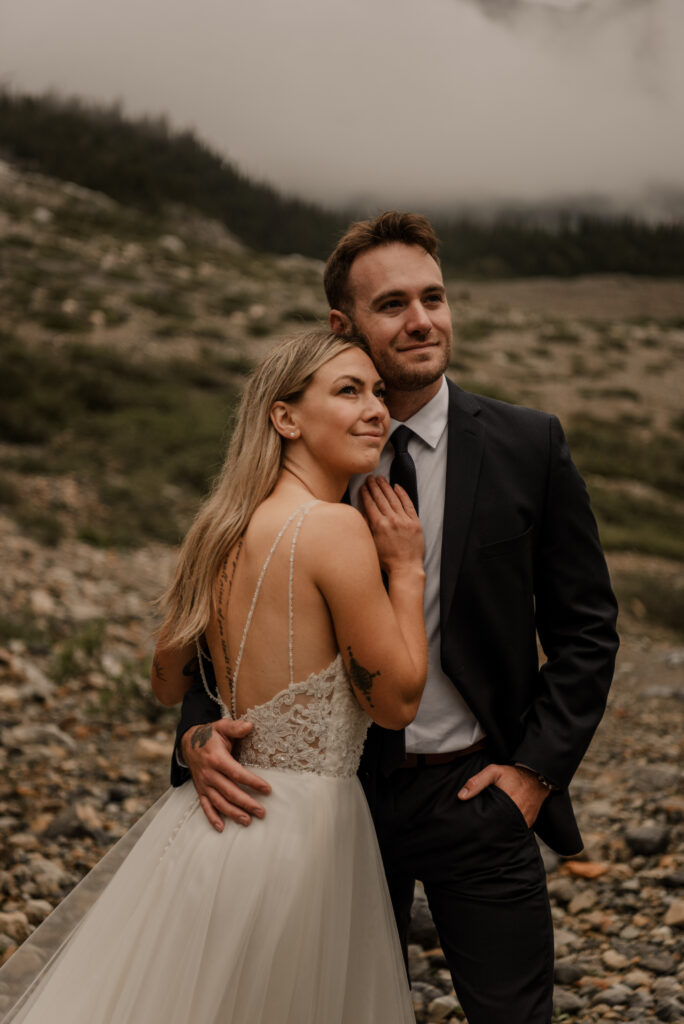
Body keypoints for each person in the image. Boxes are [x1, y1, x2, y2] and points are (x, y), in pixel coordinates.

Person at [174, 212, 620, 1024]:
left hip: (478, 793)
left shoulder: (529, 443)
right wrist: (198, 737)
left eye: (434, 297)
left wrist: (531, 774)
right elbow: (231, 619)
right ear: (342, 325)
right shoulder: (307, 455)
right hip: (329, 802)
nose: (422, 320)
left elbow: (587, 626)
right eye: (393, 305)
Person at [0, 329, 428, 1024]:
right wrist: (407, 571)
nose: (377, 408)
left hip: (212, 821)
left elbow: (168, 682)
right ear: (284, 417)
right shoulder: (335, 529)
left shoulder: (219, 529)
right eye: (349, 390)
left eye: (378, 392)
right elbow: (397, 702)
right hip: (301, 831)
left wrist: (202, 736)